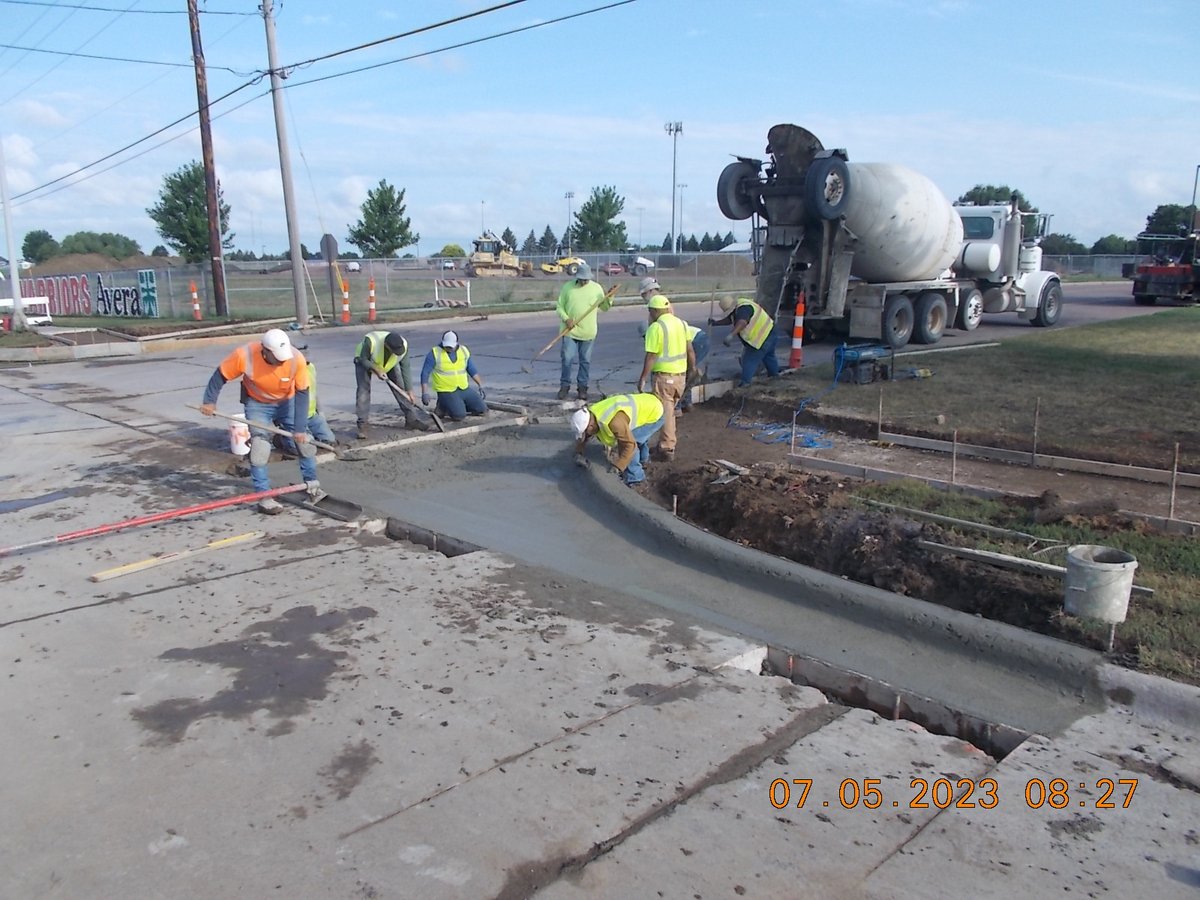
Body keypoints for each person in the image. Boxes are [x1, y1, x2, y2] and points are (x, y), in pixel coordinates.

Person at [199, 328, 322, 515]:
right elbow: (220, 376)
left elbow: (302, 394)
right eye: (277, 357)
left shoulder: (295, 359)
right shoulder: (245, 355)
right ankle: (264, 497)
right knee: (260, 449)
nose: (282, 361)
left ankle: (312, 486)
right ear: (265, 350)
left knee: (305, 444)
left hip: (287, 403)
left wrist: (299, 429)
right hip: (258, 404)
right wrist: (209, 401)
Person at [635, 294, 694, 461]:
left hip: (664, 378)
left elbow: (651, 356)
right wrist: (692, 369)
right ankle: (666, 443)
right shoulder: (682, 324)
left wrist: (643, 378)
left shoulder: (656, 328)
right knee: (670, 411)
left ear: (654, 311)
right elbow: (690, 350)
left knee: (665, 413)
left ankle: (667, 448)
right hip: (680, 378)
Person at [571, 392, 665, 487]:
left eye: (586, 432)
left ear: (590, 426)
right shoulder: (590, 414)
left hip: (655, 413)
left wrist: (618, 466)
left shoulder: (615, 423)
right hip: (648, 404)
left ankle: (636, 479)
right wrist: (579, 452)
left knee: (630, 442)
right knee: (638, 436)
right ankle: (644, 459)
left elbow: (630, 446)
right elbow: (584, 436)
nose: (586, 435)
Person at [353, 330, 430, 439]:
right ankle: (363, 425)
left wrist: (410, 390)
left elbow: (405, 367)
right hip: (364, 360)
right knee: (363, 391)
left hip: (387, 364)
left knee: (400, 388)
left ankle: (411, 420)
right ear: (387, 346)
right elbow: (363, 359)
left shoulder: (403, 344)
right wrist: (376, 369)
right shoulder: (371, 342)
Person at [555, 261, 613, 401]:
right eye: (581, 279)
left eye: (586, 279)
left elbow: (604, 308)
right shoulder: (567, 288)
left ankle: (582, 388)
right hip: (569, 331)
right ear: (577, 277)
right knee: (567, 359)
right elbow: (559, 307)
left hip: (588, 333)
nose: (584, 282)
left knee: (585, 361)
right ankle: (564, 387)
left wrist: (609, 297)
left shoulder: (596, 289)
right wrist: (566, 319)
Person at [708, 296, 781, 386]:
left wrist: (731, 335)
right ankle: (775, 377)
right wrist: (715, 323)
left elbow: (742, 322)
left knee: (749, 360)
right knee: (769, 356)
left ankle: (745, 383)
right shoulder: (741, 305)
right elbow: (731, 319)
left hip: (761, 338)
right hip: (770, 331)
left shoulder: (743, 309)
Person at [421, 330, 488, 421]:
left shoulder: (464, 351)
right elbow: (425, 373)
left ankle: (449, 405)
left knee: (482, 409)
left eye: (450, 346)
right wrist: (425, 393)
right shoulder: (435, 353)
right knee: (459, 416)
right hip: (445, 390)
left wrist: (480, 385)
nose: (448, 348)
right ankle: (444, 405)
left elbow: (471, 369)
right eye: (446, 346)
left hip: (463, 388)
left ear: (456, 343)